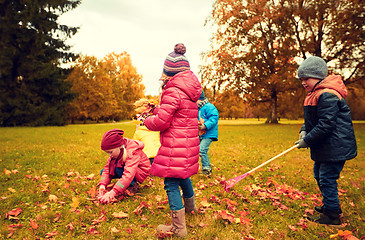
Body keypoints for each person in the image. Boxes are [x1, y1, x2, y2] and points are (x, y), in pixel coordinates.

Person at [144, 43, 202, 238]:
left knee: (170, 183)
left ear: (169, 71)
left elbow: (162, 121)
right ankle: (191, 208)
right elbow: (176, 113)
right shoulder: (189, 90)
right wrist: (156, 109)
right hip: (187, 143)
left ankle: (179, 229)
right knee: (183, 175)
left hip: (176, 144)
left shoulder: (172, 90)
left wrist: (147, 120)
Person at [295, 56, 357, 226]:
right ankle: (330, 205)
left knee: (327, 178)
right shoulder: (315, 94)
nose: (303, 82)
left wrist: (307, 140)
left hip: (335, 146)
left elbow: (326, 124)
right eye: (301, 79)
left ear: (318, 76)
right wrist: (304, 130)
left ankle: (332, 216)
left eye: (306, 78)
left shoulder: (327, 94)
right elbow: (313, 120)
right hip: (326, 146)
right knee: (319, 175)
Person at [97, 129, 151, 204]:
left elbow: (128, 174)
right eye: (107, 153)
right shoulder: (117, 152)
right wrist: (102, 185)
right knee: (104, 171)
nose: (110, 155)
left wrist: (113, 192)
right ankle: (124, 184)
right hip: (127, 168)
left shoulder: (132, 152)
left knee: (120, 171)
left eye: (110, 152)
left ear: (119, 146)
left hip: (139, 171)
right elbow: (107, 169)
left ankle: (133, 185)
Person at [133, 99, 161, 164]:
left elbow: (134, 146)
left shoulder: (138, 132)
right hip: (160, 156)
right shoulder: (156, 131)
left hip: (147, 158)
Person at [198, 90, 219, 176]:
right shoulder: (196, 108)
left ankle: (207, 168)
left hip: (208, 134)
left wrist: (205, 125)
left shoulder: (209, 107)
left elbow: (214, 118)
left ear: (200, 99)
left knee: (202, 150)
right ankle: (194, 167)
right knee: (195, 150)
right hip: (200, 134)